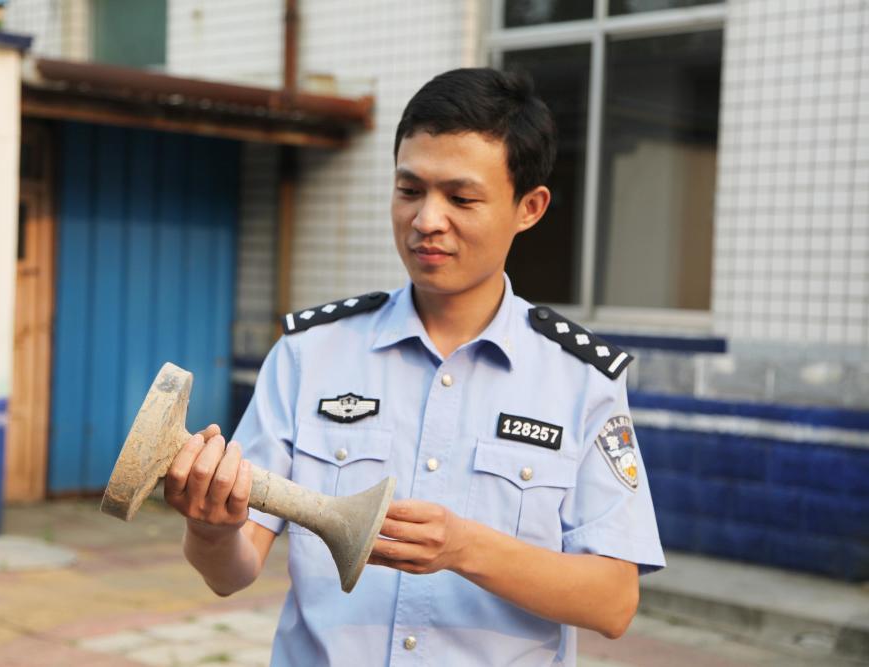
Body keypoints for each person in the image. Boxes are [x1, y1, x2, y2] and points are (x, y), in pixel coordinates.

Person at [164, 67, 665, 665]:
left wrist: (464, 548)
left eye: (461, 198)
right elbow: (232, 572)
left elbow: (613, 602)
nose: (427, 220)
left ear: (529, 208)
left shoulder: (580, 379)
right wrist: (211, 528)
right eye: (409, 190)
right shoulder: (311, 353)